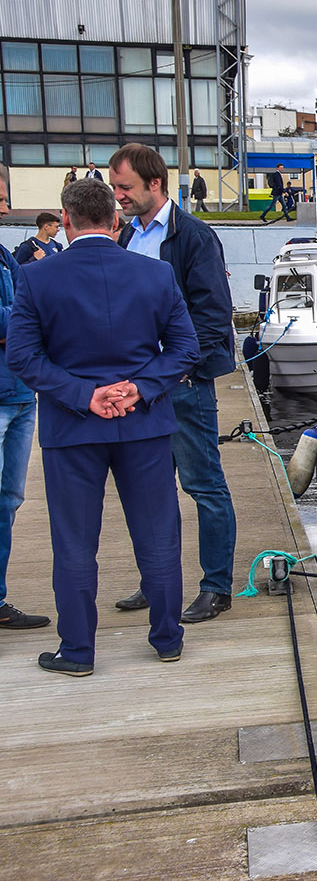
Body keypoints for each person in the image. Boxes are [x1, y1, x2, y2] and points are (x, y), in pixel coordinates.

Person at [6, 178, 199, 675]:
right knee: (158, 535)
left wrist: (84, 395)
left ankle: (77, 652)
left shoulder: (37, 278)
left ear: (65, 221)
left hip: (71, 429)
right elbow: (184, 349)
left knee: (74, 542)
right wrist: (137, 388)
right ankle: (167, 638)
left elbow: (25, 356)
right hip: (145, 423)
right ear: (115, 221)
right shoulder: (156, 275)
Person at [108, 144, 238, 624]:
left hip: (181, 384)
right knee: (150, 488)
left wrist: (181, 370)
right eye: (115, 187)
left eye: (125, 188)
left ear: (155, 184)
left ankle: (215, 587)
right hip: (136, 387)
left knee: (203, 485)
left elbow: (213, 314)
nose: (117, 196)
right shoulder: (125, 239)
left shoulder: (194, 237)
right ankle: (156, 580)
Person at [0, 164, 49, 631]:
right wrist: (19, 315)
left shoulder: (2, 253)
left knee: (9, 500)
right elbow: (20, 317)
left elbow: (28, 310)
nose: (5, 207)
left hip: (20, 394)